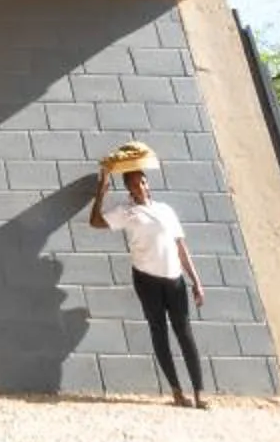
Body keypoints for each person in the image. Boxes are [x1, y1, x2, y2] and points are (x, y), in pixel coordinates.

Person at [85, 143, 208, 407]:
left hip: (174, 278)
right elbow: (95, 222)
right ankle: (177, 391)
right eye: (132, 184)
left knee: (184, 332)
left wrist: (196, 282)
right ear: (128, 188)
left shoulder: (166, 210)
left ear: (147, 183)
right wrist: (100, 192)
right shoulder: (126, 213)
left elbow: (181, 247)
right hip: (146, 279)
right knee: (159, 331)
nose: (138, 187)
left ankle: (200, 393)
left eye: (140, 182)